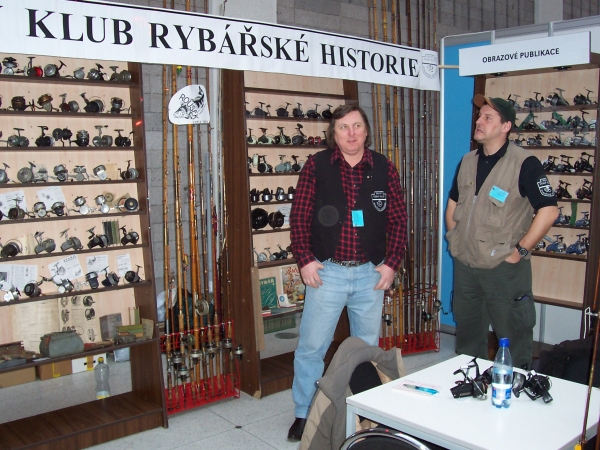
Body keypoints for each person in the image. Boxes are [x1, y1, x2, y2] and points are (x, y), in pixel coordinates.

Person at [287, 104, 407, 441]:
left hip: (370, 273)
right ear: (334, 134)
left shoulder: (384, 167)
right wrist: (305, 259)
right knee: (312, 347)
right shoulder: (317, 165)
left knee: (366, 349)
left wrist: (391, 263)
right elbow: (300, 216)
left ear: (366, 131)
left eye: (356, 126)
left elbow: (399, 220)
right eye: (343, 127)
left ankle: (364, 412)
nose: (351, 133)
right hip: (327, 272)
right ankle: (304, 412)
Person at [445, 94, 558, 370]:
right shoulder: (467, 161)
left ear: (506, 126)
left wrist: (520, 251)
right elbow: (453, 203)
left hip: (503, 269)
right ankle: (471, 382)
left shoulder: (524, 163)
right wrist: (454, 239)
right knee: (468, 338)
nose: (479, 121)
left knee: (513, 336)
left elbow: (549, 211)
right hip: (466, 267)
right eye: (479, 116)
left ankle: (516, 385)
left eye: (488, 117)